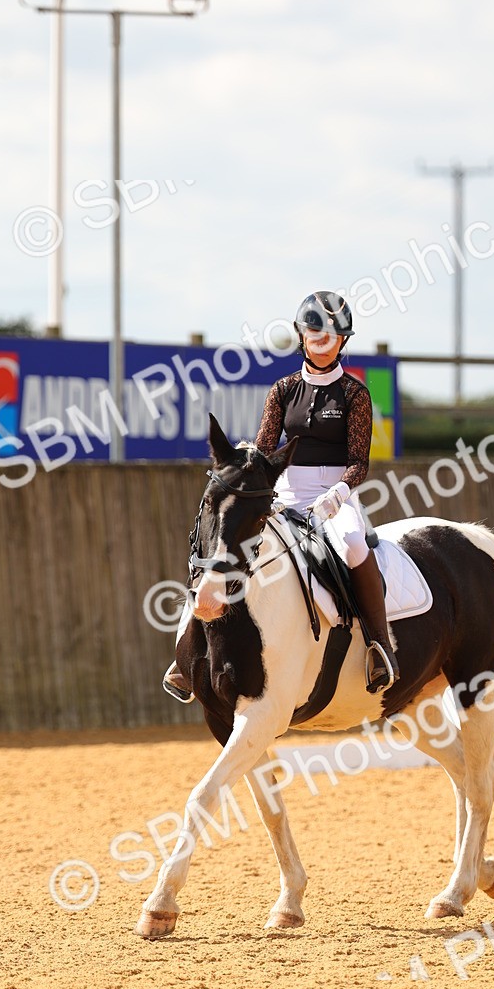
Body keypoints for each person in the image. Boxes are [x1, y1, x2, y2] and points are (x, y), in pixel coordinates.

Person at [163, 290, 399, 703]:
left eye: (331, 334)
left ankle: (379, 647)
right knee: (226, 544)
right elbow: (265, 449)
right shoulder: (283, 390)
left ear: (342, 340)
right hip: (285, 491)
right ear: (301, 335)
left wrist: (338, 493)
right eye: (314, 332)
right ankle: (188, 655)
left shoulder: (355, 394)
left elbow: (360, 462)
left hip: (334, 495)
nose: (322, 340)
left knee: (354, 545)